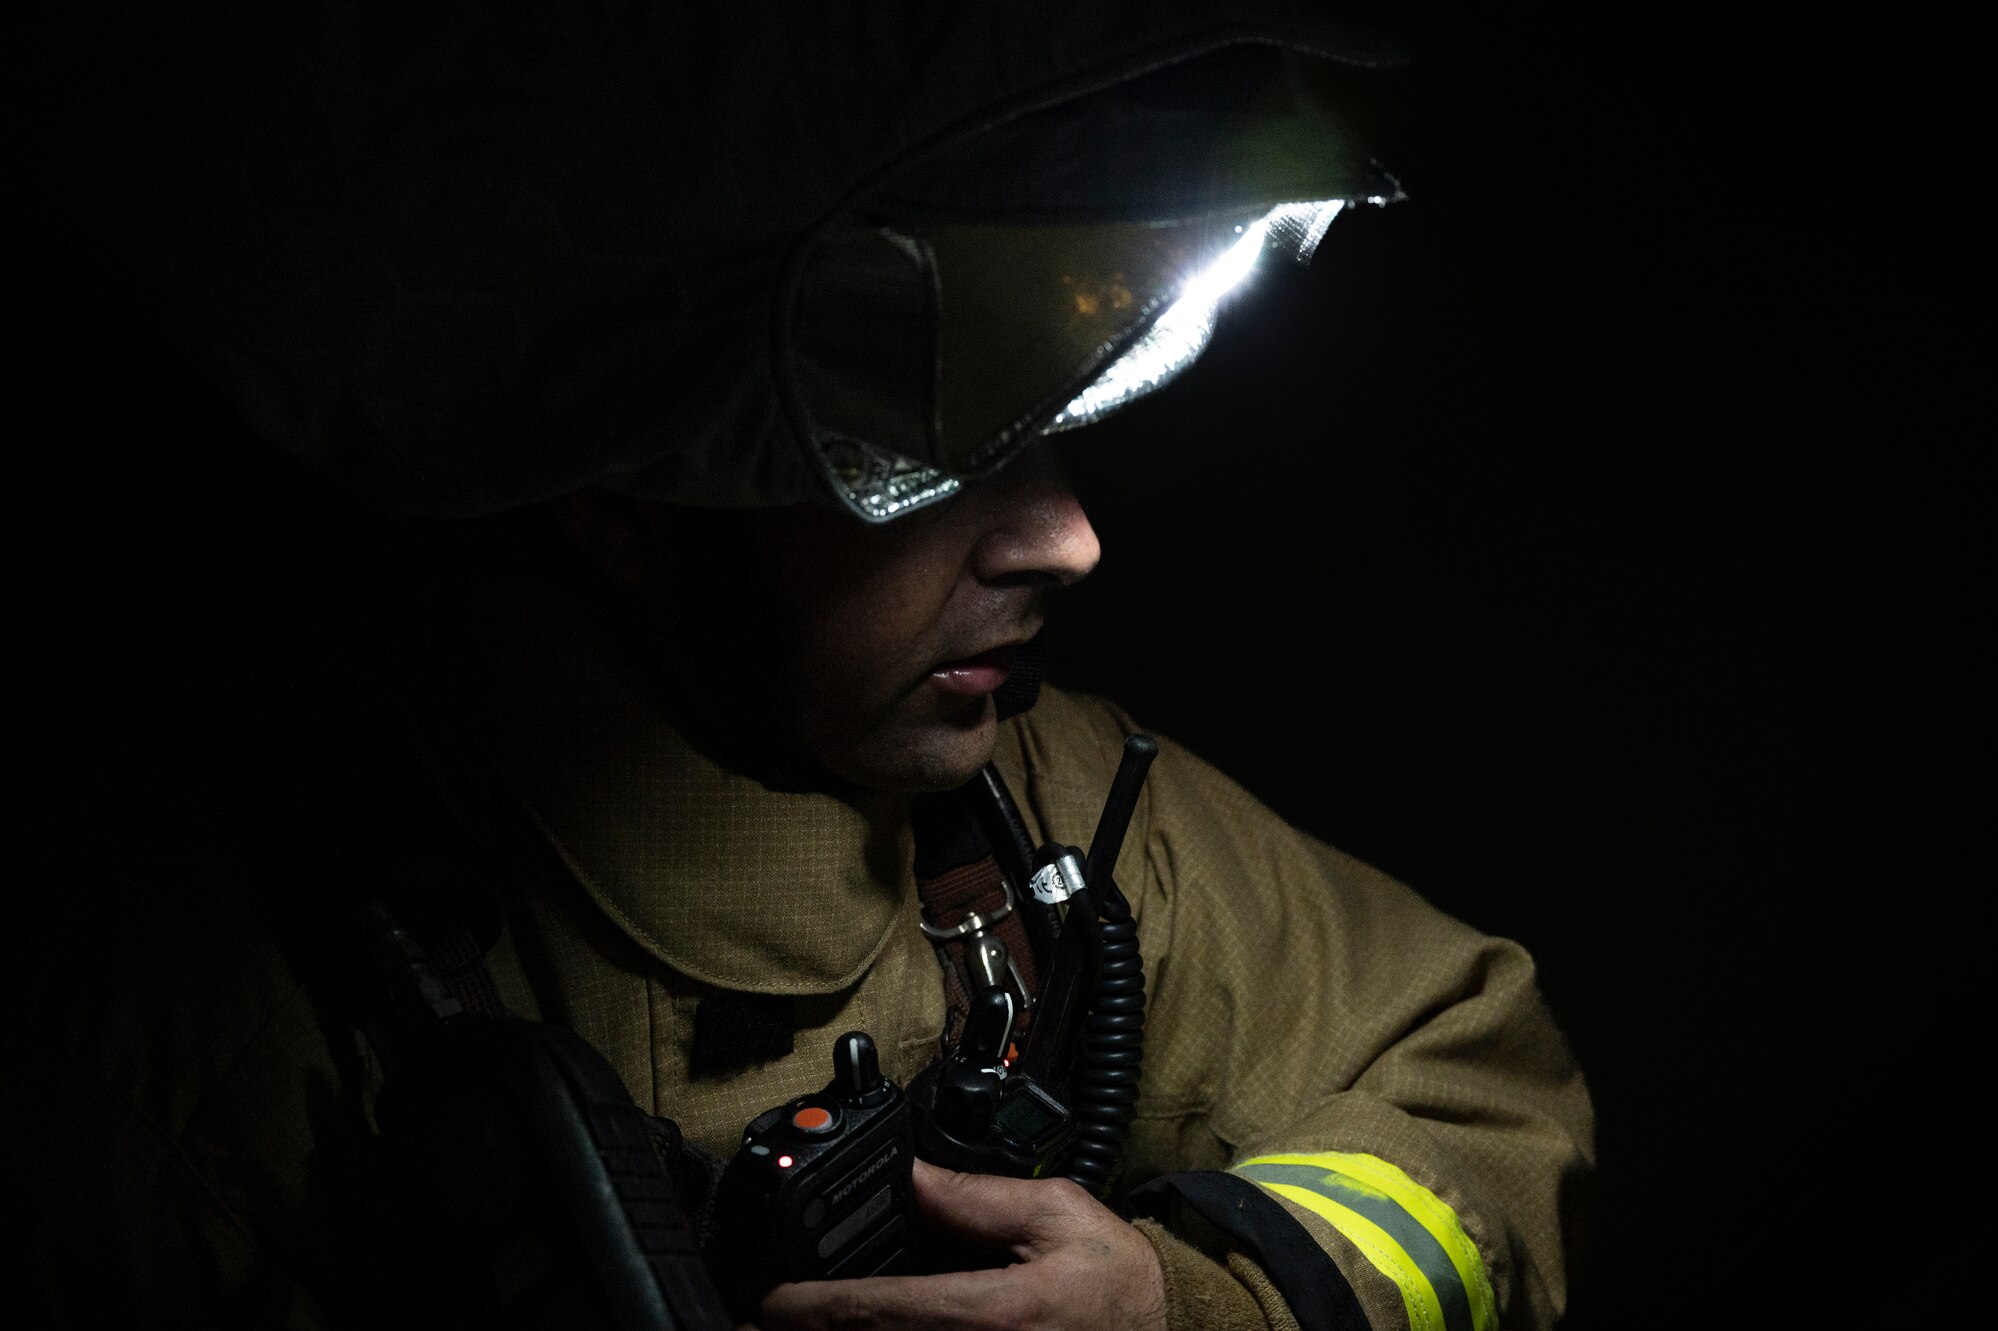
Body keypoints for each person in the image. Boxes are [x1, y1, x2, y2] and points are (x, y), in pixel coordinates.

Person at [10, 5, 1593, 1328]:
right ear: (630, 501)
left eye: (1055, 431)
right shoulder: (213, 1012)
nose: (1071, 541)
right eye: (942, 456)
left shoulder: (1053, 813)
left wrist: (1188, 1305)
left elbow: (1479, 1079)